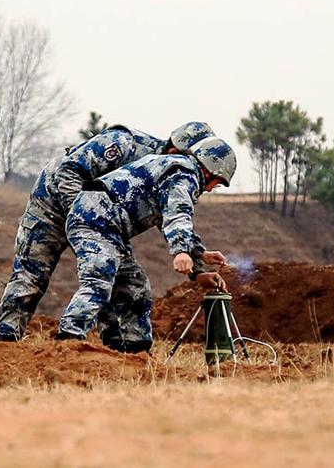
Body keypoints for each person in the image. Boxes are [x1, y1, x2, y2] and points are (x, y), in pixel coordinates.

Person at [0, 122, 216, 342]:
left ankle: (116, 344)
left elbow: (170, 214)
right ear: (179, 150)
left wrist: (196, 266)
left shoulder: (166, 170)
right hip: (50, 208)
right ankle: (7, 338)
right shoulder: (124, 143)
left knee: (122, 278)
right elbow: (67, 172)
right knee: (31, 274)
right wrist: (86, 219)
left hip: (100, 220)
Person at [56, 137, 237, 353]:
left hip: (108, 227)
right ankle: (66, 342)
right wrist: (180, 251)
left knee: (134, 285)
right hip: (93, 220)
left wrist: (199, 258)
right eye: (217, 182)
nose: (212, 188)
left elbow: (167, 215)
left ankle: (132, 351)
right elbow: (178, 215)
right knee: (99, 279)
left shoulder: (175, 170)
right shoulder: (183, 174)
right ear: (209, 170)